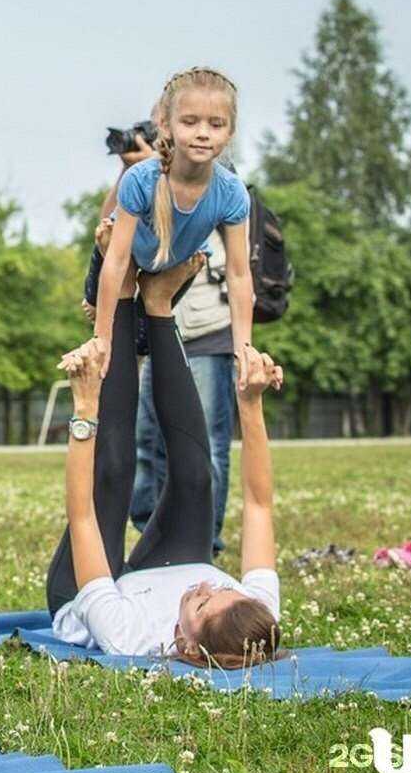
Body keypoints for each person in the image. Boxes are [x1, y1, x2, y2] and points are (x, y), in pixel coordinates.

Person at [46, 258, 284, 665]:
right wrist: (250, 402)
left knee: (114, 474)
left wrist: (85, 406)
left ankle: (120, 292)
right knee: (197, 478)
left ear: (185, 644)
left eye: (202, 605)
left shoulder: (128, 634)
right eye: (223, 589)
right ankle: (158, 304)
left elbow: (83, 515)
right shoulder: (256, 613)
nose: (203, 587)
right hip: (164, 564)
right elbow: (259, 504)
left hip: (87, 588)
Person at [85, 67, 254, 381]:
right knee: (114, 339)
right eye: (190, 122)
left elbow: (239, 274)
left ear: (230, 131)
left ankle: (141, 314)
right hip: (122, 257)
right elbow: (117, 259)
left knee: (146, 343)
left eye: (216, 124)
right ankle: (95, 305)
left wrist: (244, 347)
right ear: (165, 124)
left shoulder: (231, 192)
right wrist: (102, 336)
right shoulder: (141, 178)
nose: (203, 133)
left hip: (171, 267)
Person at [132, 227, 237, 554]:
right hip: (160, 330)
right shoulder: (142, 198)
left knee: (206, 445)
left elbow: (240, 268)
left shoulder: (220, 199)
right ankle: (155, 538)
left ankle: (203, 542)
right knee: (148, 440)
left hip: (207, 332)